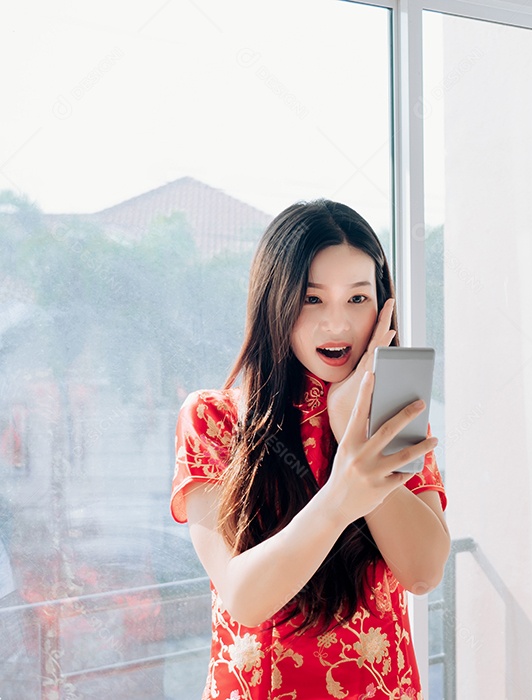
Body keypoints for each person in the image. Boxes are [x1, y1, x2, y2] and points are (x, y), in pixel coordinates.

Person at [170, 200, 449, 699]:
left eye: (358, 298)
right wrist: (342, 495)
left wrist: (349, 423)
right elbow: (244, 598)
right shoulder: (214, 418)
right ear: (275, 302)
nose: (337, 324)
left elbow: (424, 572)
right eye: (312, 299)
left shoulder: (395, 412)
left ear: (383, 306)